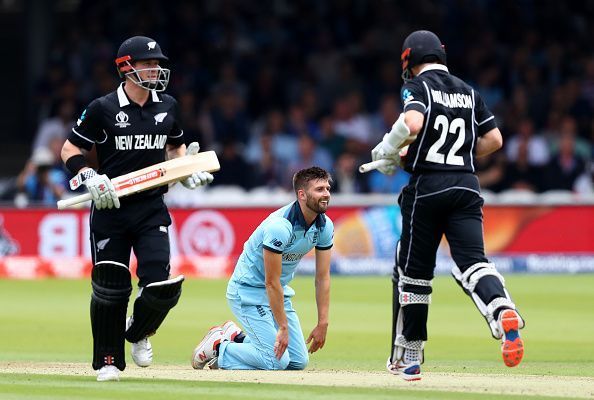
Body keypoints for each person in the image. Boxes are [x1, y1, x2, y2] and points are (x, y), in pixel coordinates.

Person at [369, 30, 525, 380]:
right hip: (467, 185)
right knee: (473, 262)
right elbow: (494, 140)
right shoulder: (469, 91)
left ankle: (410, 355)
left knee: (414, 274)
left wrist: (389, 148)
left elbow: (413, 122)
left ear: (410, 60)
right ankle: (502, 309)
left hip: (427, 187)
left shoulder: (418, 88)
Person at [60, 36, 214, 382]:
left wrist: (186, 171)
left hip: (151, 208)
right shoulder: (102, 108)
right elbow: (70, 149)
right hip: (110, 208)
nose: (156, 69)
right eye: (148, 64)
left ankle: (139, 331)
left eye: (158, 63)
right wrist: (88, 175)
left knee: (162, 285)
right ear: (126, 68)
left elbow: (175, 150)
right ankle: (108, 361)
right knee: (111, 286)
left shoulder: (169, 105)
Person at [191, 166, 333, 371]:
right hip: (247, 292)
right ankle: (220, 347)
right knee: (276, 361)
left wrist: (323, 323)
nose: (326, 194)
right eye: (319, 189)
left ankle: (237, 338)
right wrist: (283, 327)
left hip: (277, 293)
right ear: (302, 194)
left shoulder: (325, 226)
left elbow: (322, 278)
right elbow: (271, 281)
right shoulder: (280, 227)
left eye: (328, 188)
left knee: (297, 362)